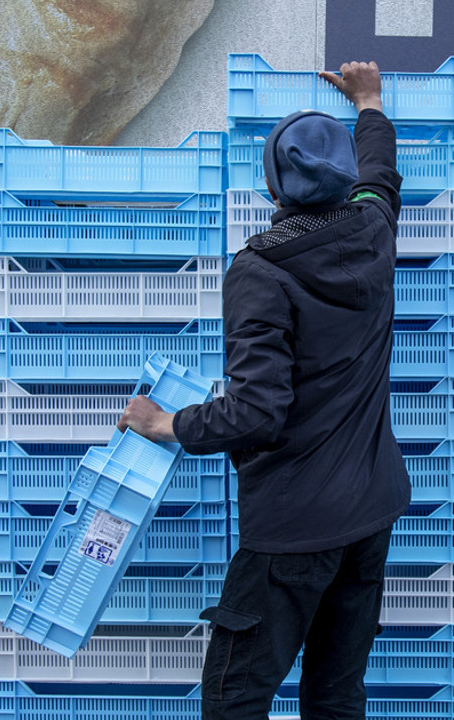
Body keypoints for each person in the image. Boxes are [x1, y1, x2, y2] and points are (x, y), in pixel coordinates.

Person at [117, 60, 412, 720]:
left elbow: (257, 410)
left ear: (275, 184)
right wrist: (369, 99)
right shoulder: (372, 229)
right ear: (343, 179)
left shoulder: (260, 271)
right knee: (336, 693)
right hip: (370, 509)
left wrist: (166, 422)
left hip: (293, 526)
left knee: (235, 697)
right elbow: (380, 171)